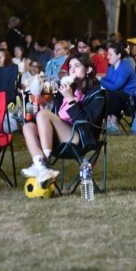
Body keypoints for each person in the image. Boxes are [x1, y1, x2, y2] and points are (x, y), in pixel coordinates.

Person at [20, 53, 106, 186]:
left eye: (77, 66)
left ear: (88, 70)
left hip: (79, 137)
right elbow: (55, 115)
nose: (72, 70)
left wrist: (71, 100)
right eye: (70, 66)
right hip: (59, 136)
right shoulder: (66, 88)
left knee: (44, 115)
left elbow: (86, 122)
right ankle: (42, 167)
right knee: (28, 126)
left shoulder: (97, 93)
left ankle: (45, 163)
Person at [101, 44, 136, 132]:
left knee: (114, 94)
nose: (107, 57)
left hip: (131, 96)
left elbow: (115, 87)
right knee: (102, 93)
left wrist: (100, 79)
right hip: (119, 94)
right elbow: (108, 83)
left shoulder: (124, 68)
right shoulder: (111, 67)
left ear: (118, 55)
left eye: (110, 54)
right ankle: (109, 120)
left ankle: (114, 123)